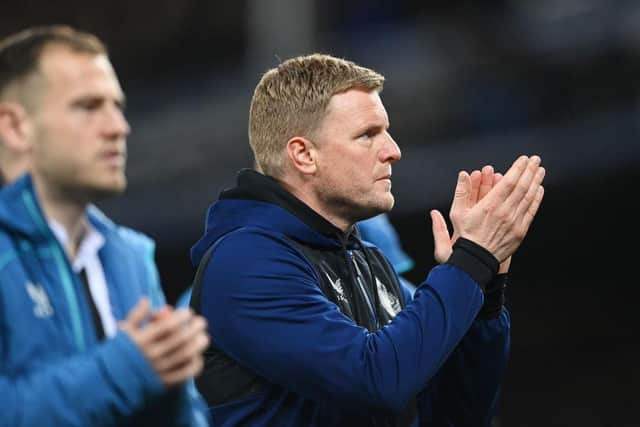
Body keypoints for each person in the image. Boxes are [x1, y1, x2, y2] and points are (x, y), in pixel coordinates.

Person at [189, 53, 545, 426]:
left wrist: (485, 295)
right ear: (304, 155)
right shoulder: (245, 262)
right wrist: (470, 261)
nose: (393, 150)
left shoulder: (369, 261)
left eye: (386, 131)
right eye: (368, 135)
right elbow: (375, 383)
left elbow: (457, 415)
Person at [0, 26, 211, 426]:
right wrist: (129, 369)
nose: (119, 127)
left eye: (118, 105)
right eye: (89, 106)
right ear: (15, 127)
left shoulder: (131, 256)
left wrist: (173, 388)